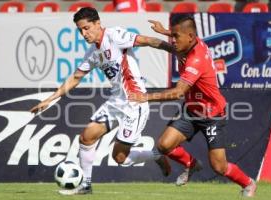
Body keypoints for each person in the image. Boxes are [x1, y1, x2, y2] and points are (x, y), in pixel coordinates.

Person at [30, 7, 173, 195]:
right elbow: (75, 78)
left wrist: (176, 51)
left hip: (134, 103)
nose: (83, 33)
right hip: (115, 102)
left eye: (86, 28)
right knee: (86, 137)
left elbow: (147, 41)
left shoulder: (114, 35)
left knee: (120, 158)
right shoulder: (92, 52)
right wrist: (49, 99)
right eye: (80, 30)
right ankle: (85, 185)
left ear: (98, 23)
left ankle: (156, 155)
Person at [129, 15, 257, 197]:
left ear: (190, 37)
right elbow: (174, 40)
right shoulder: (189, 42)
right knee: (164, 146)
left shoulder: (196, 60)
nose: (173, 41)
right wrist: (165, 31)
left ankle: (248, 183)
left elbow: (177, 93)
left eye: (176, 37)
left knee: (219, 167)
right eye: (172, 36)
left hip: (212, 114)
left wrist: (145, 97)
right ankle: (192, 164)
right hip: (192, 109)